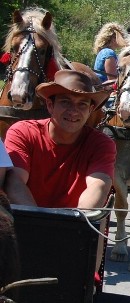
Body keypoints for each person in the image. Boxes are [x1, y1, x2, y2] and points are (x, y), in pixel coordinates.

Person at [4, 70, 115, 209]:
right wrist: (38, 221)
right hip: (28, 222)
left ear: (90, 110)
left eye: (82, 104)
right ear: (50, 105)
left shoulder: (101, 144)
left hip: (75, 225)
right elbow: (14, 180)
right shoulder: (23, 132)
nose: (74, 111)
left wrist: (77, 222)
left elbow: (99, 185)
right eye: (65, 102)